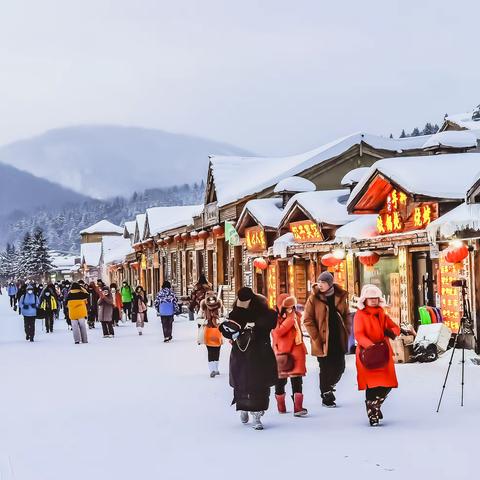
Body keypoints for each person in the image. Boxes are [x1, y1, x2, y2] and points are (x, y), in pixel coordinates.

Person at [219, 287, 277, 431]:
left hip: (259, 352)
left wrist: (255, 325)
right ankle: (243, 407)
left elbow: (271, 320)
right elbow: (228, 329)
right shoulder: (236, 310)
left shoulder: (262, 308)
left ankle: (257, 414)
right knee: (243, 381)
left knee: (258, 383)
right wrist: (231, 330)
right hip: (242, 352)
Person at [354, 284, 400, 426]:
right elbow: (359, 334)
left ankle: (374, 406)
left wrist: (391, 332)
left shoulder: (382, 314)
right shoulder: (359, 315)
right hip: (367, 354)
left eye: (375, 298)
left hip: (383, 353)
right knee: (371, 385)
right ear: (364, 300)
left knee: (388, 383)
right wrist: (371, 347)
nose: (373, 301)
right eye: (370, 298)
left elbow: (394, 327)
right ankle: (373, 415)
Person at [303, 271, 350, 408]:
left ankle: (329, 386)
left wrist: (347, 330)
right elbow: (307, 319)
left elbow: (346, 315)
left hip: (338, 338)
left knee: (340, 367)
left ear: (330, 284)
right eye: (319, 282)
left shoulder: (340, 296)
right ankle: (326, 395)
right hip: (322, 340)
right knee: (325, 368)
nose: (320, 285)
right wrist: (316, 337)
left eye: (323, 282)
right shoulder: (314, 298)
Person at [272, 294, 308, 417]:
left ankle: (298, 408)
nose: (290, 309)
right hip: (282, 351)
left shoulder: (295, 316)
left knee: (297, 379)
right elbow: (278, 332)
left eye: (292, 306)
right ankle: (281, 404)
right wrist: (289, 319)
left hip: (297, 350)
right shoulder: (275, 318)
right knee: (281, 380)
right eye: (287, 306)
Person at [198, 290, 223, 377]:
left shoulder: (219, 305)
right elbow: (198, 318)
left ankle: (216, 369)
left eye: (213, 298)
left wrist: (220, 320)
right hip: (208, 330)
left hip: (218, 329)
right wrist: (205, 321)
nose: (211, 300)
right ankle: (212, 369)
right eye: (209, 298)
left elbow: (225, 315)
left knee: (217, 350)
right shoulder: (203, 305)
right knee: (210, 350)